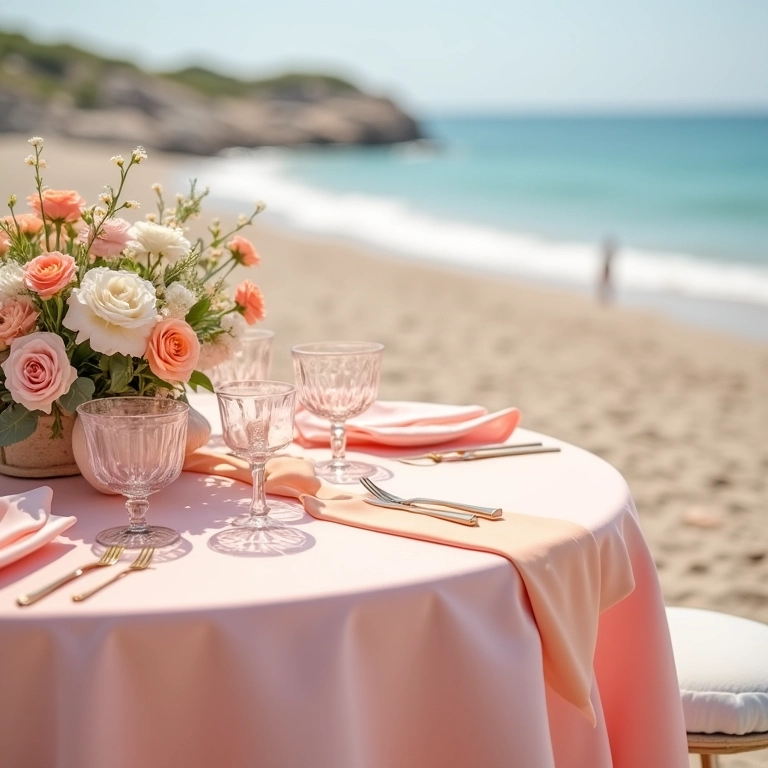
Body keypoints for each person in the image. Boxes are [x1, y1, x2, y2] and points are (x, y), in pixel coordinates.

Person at [598, 237, 617, 304]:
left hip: (607, 269)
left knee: (605, 283)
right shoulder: (609, 254)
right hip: (606, 269)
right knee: (605, 283)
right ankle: (603, 297)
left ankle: (605, 297)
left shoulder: (608, 254)